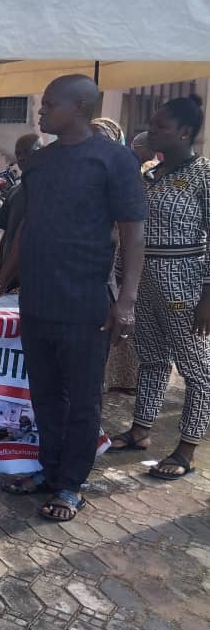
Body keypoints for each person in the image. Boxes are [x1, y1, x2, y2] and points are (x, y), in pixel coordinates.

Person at [0, 75, 146, 523]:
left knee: (82, 400)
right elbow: (27, 230)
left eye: (49, 104)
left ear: (78, 108)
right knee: (46, 396)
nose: (41, 110)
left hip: (86, 302)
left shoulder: (115, 161)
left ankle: (72, 484)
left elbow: (133, 233)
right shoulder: (40, 162)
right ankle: (49, 472)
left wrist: (126, 302)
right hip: (38, 300)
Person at [110, 95, 210, 480]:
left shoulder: (203, 176)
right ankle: (141, 430)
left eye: (161, 127)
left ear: (184, 132)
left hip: (185, 287)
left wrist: (208, 297)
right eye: (152, 125)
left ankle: (187, 449)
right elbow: (131, 231)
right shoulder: (152, 174)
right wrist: (122, 278)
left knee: (196, 370)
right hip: (145, 283)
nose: (152, 132)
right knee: (151, 361)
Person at [0, 134, 42, 293]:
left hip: (35, 278)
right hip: (9, 276)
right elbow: (6, 237)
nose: (21, 157)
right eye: (18, 153)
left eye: (28, 152)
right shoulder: (14, 191)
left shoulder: (50, 191)